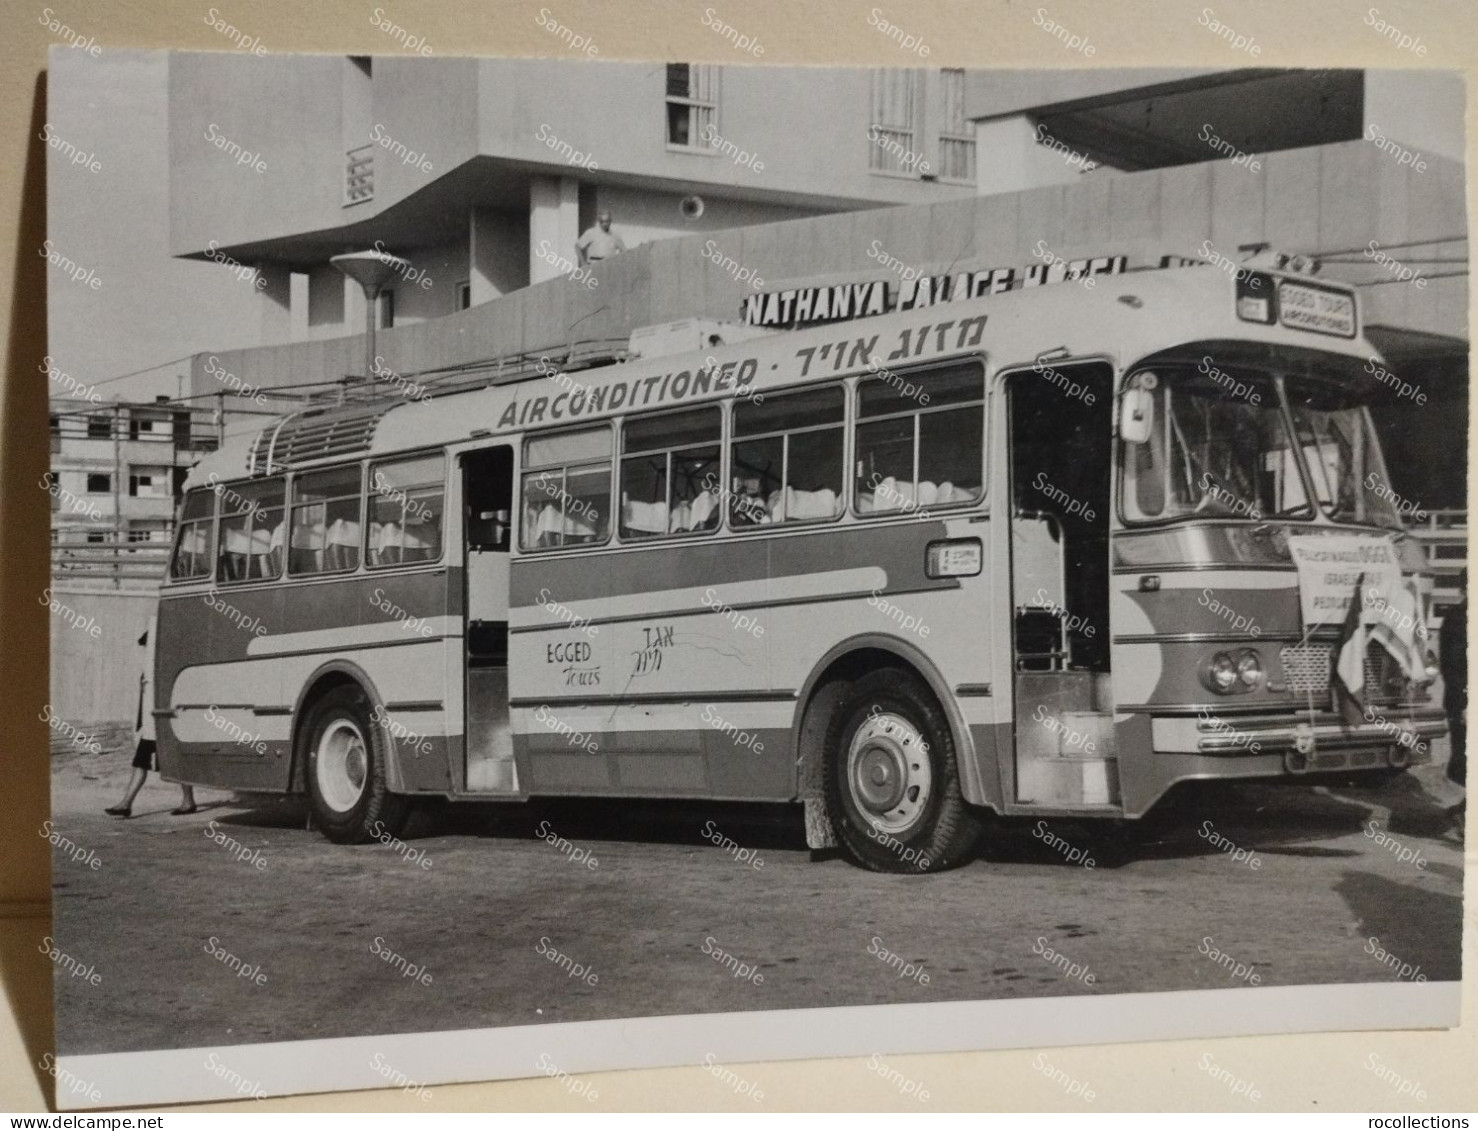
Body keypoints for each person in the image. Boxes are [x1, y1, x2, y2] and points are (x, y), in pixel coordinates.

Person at [106, 620, 196, 818]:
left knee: (176, 761)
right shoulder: (150, 671)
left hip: (162, 720)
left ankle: (187, 801)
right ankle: (126, 803)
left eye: (148, 645)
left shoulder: (163, 668)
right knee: (142, 762)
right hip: (152, 724)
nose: (146, 649)